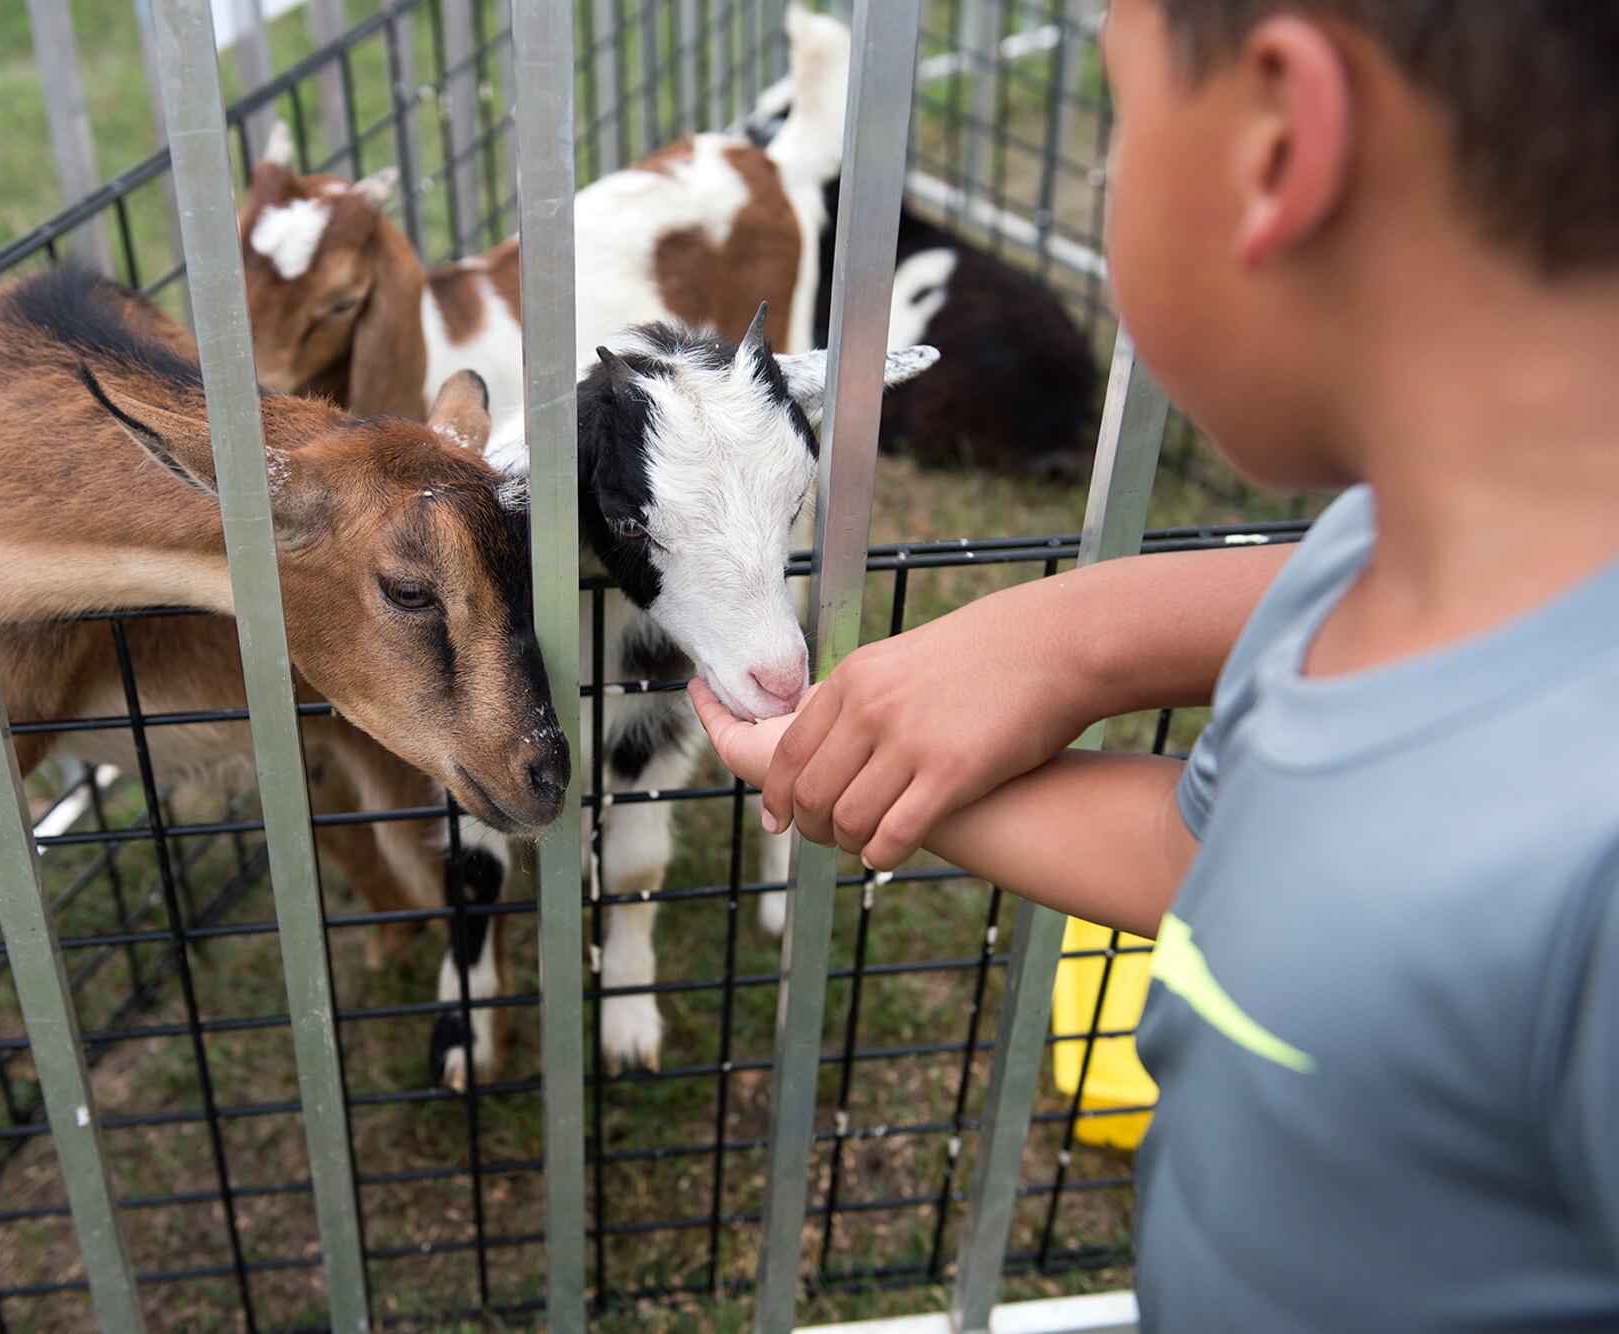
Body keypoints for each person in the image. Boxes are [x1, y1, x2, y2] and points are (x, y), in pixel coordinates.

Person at [692, 0, 1619, 1327]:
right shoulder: (1379, 568)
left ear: (1280, 145)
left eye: (1119, 116)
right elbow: (1231, 861)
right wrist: (1022, 667)